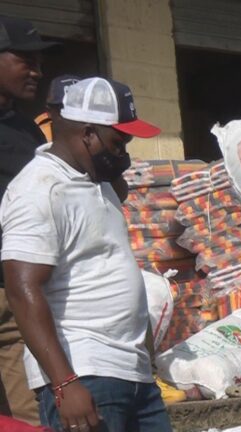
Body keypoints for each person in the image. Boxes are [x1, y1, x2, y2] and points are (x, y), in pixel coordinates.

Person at [0, 77, 172, 432]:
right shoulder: (39, 190)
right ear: (88, 134)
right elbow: (21, 288)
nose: (124, 152)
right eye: (118, 142)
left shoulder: (94, 180)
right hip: (87, 375)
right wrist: (64, 384)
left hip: (133, 373)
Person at [0, 15, 59, 424]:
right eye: (26, 60)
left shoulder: (27, 129)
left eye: (39, 61)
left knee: (27, 416)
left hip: (12, 293)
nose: (36, 71)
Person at [35, 75, 130, 202]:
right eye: (62, 108)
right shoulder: (39, 133)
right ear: (49, 111)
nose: (74, 115)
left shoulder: (95, 148)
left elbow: (119, 194)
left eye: (77, 106)